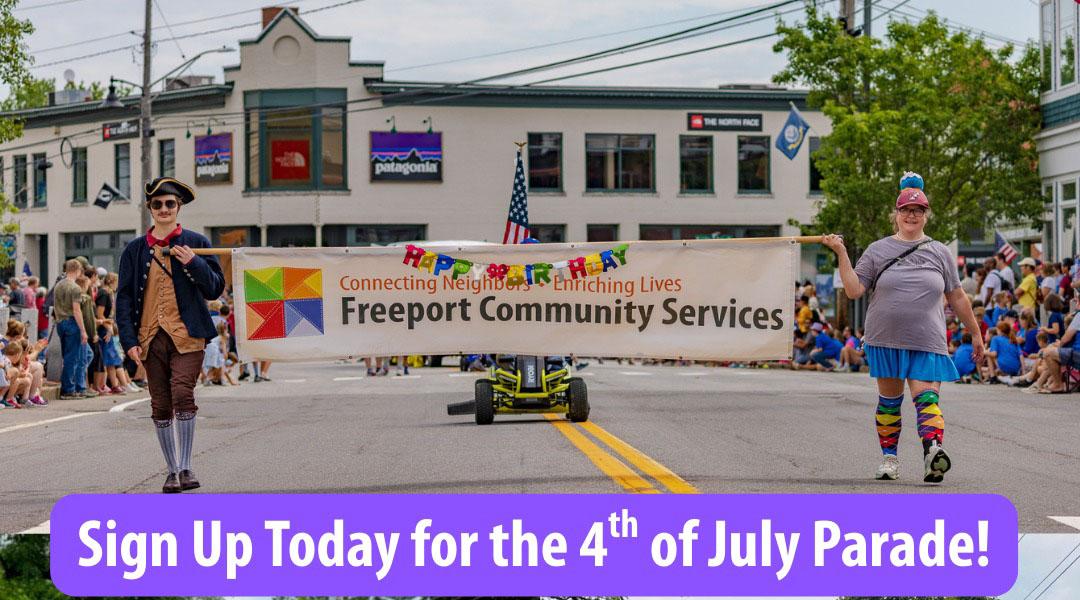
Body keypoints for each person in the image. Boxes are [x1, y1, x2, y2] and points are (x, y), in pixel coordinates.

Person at [822, 181, 984, 484]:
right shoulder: (878, 250)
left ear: (926, 215)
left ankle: (933, 452)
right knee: (889, 402)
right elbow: (855, 289)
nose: (912, 215)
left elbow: (957, 296)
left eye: (918, 210)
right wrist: (841, 252)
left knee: (926, 399)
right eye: (907, 210)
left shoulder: (940, 252)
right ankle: (890, 460)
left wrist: (975, 332)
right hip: (885, 338)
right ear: (896, 214)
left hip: (928, 339)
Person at [116, 177, 225, 494]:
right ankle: (172, 470)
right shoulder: (135, 250)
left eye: (170, 204)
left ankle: (187, 466)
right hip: (150, 336)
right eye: (158, 204)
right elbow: (123, 298)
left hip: (188, 335)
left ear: (178, 208)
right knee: (160, 404)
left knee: (182, 393)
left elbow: (215, 288)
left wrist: (193, 262)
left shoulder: (198, 242)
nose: (164, 209)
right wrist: (129, 341)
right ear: (150, 208)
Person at [53, 260, 89, 400]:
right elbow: (76, 310)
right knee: (72, 358)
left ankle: (68, 387)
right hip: (71, 322)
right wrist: (83, 330)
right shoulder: (75, 288)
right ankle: (68, 389)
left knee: (66, 356)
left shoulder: (58, 285)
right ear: (77, 270)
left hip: (60, 322)